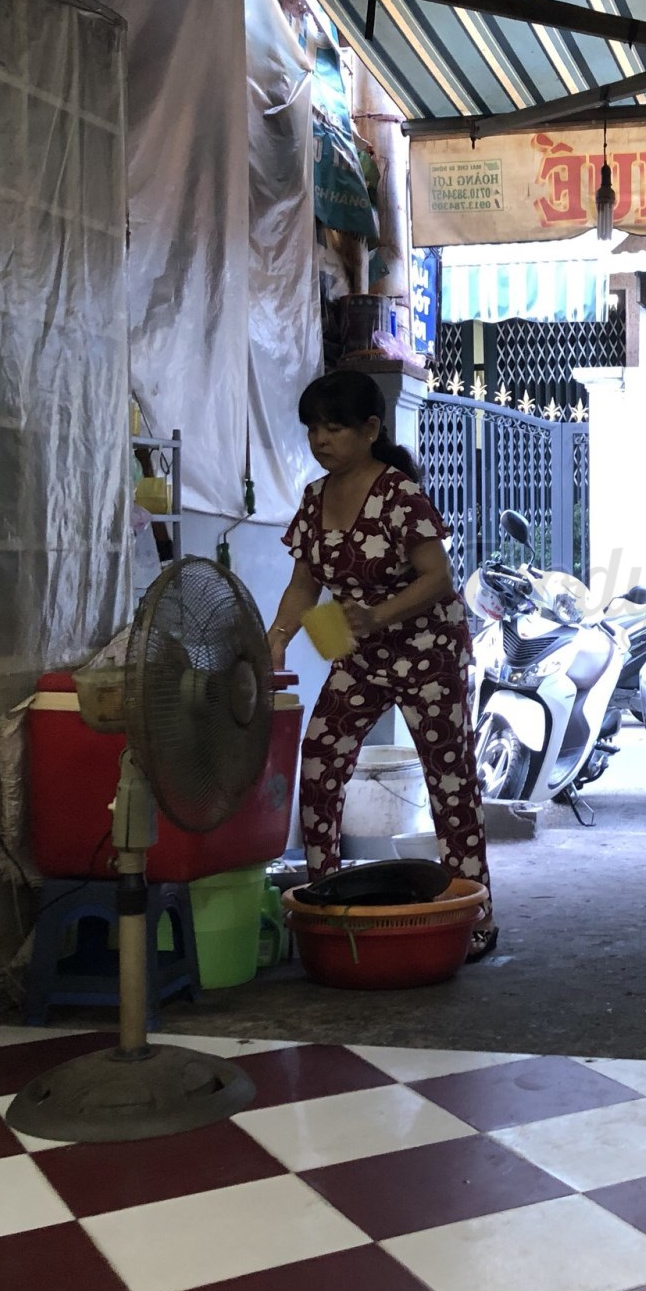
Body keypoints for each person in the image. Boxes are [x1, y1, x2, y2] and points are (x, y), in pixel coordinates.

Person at [268, 370, 496, 960]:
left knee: (450, 783)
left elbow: (438, 577)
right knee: (319, 763)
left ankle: (475, 918)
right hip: (360, 658)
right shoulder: (314, 499)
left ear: (371, 429)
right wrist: (276, 639)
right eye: (312, 428)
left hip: (430, 654)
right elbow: (303, 585)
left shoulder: (400, 495)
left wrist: (377, 615)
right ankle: (323, 904)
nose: (320, 439)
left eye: (334, 427)